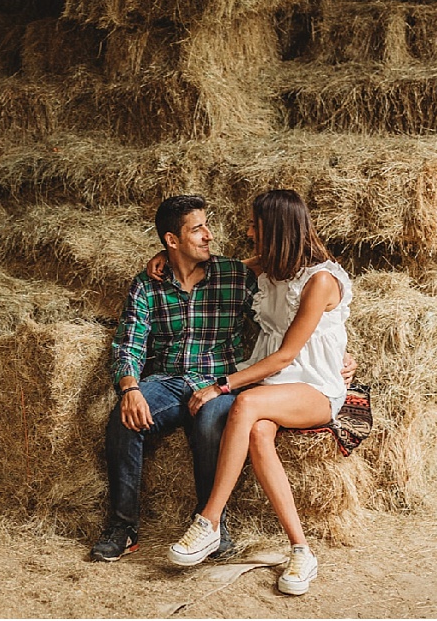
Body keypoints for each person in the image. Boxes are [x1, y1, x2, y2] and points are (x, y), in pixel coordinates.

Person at [90, 194, 355, 565]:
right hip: (167, 380)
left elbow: (300, 324)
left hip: (221, 375)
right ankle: (123, 529)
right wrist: (130, 387)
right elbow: (128, 343)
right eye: (197, 230)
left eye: (206, 226)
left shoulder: (236, 276)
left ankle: (214, 525)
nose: (210, 236)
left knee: (217, 417)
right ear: (172, 240)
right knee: (124, 418)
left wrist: (341, 355)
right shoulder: (148, 284)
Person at [166, 189, 352, 597]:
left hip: (314, 386)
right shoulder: (267, 269)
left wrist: (222, 385)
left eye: (255, 225)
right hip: (274, 388)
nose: (248, 231)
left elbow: (287, 356)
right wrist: (164, 260)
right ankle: (301, 549)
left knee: (246, 403)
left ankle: (209, 520)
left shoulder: (321, 280)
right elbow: (215, 267)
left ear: (277, 229)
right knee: (256, 432)